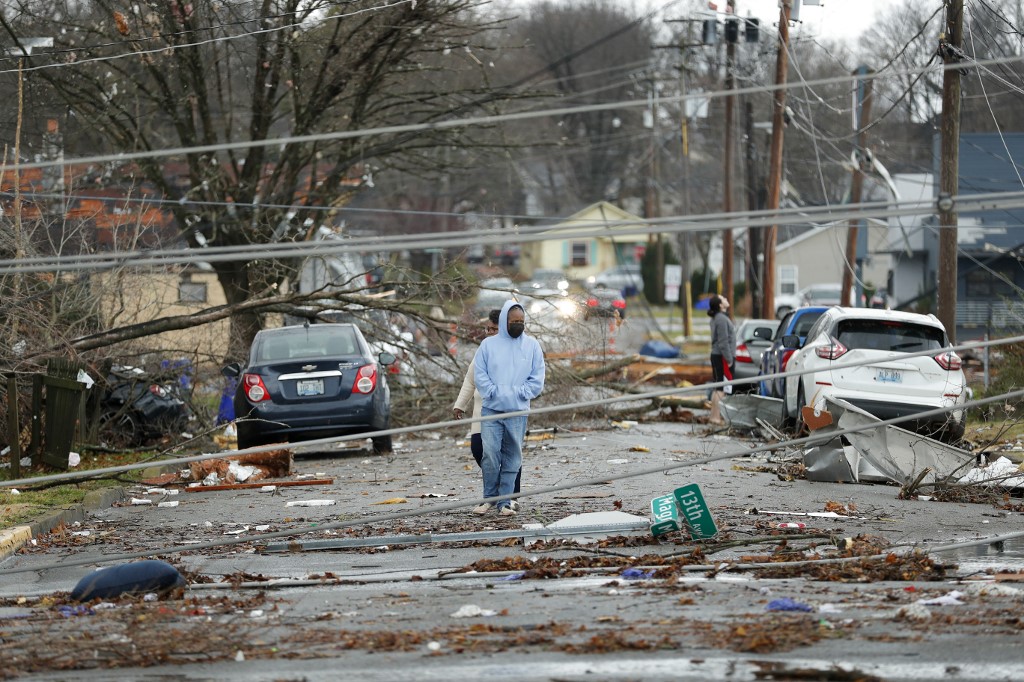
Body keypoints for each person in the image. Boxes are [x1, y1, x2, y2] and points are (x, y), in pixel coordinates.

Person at [473, 300, 545, 516]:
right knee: (490, 455)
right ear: (504, 321)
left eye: (521, 321)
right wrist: (494, 392)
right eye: (514, 321)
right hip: (492, 410)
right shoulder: (488, 345)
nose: (518, 325)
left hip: (518, 411)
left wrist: (520, 394)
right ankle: (490, 498)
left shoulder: (532, 345)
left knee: (513, 456)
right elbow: (480, 374)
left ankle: (505, 502)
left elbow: (537, 377)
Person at [452, 310, 523, 507]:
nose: (490, 332)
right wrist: (460, 404)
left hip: (508, 410)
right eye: (488, 328)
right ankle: (497, 492)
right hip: (481, 412)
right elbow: (470, 378)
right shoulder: (483, 349)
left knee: (510, 454)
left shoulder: (515, 349)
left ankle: (510, 497)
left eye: (494, 329)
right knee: (479, 449)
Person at [707, 294, 735, 424]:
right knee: (721, 388)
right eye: (724, 298)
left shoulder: (717, 318)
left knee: (718, 386)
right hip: (721, 356)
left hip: (716, 355)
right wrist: (729, 359)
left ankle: (713, 416)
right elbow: (723, 342)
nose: (726, 299)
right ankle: (715, 417)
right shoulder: (722, 319)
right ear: (720, 305)